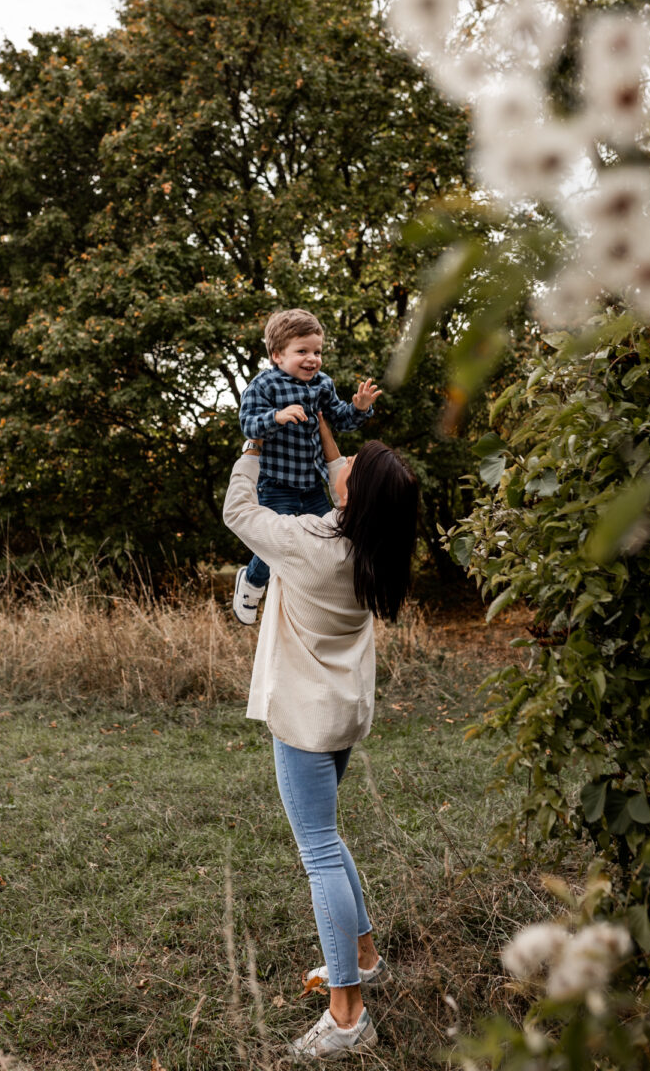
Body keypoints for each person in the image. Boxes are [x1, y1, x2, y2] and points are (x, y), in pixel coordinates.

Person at [222, 415, 419, 1060]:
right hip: (339, 716)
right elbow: (342, 475)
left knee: (318, 852)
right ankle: (363, 958)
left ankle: (345, 1014)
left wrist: (255, 439)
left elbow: (238, 509)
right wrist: (329, 433)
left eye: (352, 469)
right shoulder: (375, 547)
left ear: (350, 496)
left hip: (304, 722)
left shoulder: (309, 542)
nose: (344, 466)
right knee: (329, 839)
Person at [233, 308, 381, 626]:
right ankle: (253, 582)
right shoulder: (264, 386)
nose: (312, 359)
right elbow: (248, 423)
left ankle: (309, 594)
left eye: (317, 351)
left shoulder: (322, 384)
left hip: (312, 482)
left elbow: (340, 419)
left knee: (324, 538)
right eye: (302, 351)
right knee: (275, 543)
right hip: (277, 482)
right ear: (277, 355)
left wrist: (359, 408)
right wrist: (277, 416)